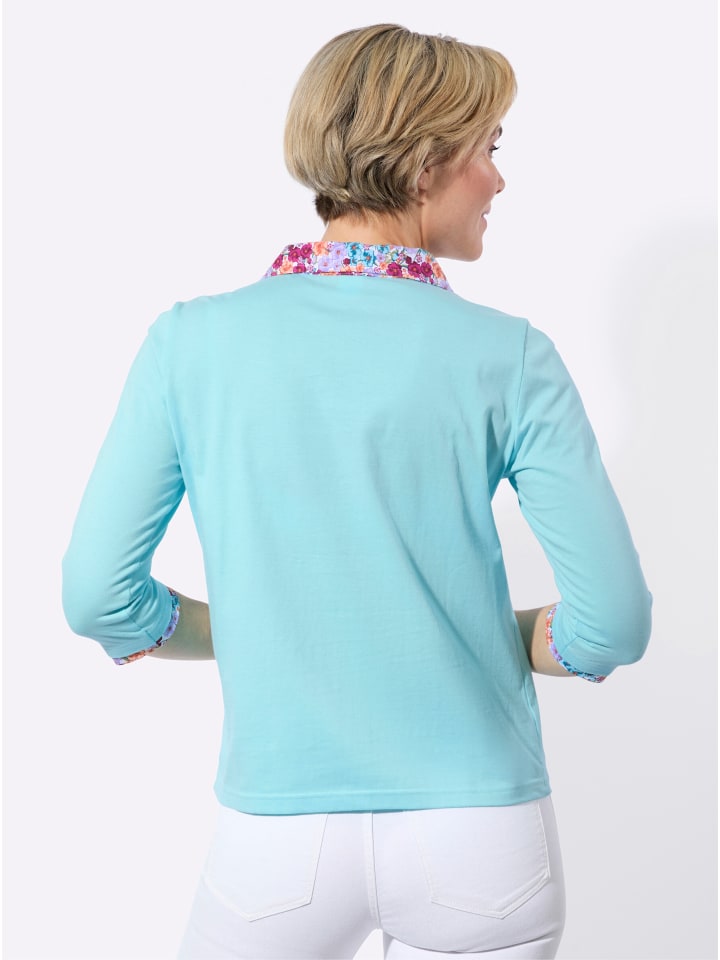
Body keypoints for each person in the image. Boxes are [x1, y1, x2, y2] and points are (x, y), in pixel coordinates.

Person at [62, 23, 652, 960]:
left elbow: (98, 595)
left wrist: (246, 631)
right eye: (489, 148)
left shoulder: (189, 344)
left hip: (274, 842)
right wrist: (476, 639)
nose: (499, 180)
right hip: (481, 840)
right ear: (424, 164)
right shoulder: (511, 356)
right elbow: (612, 624)